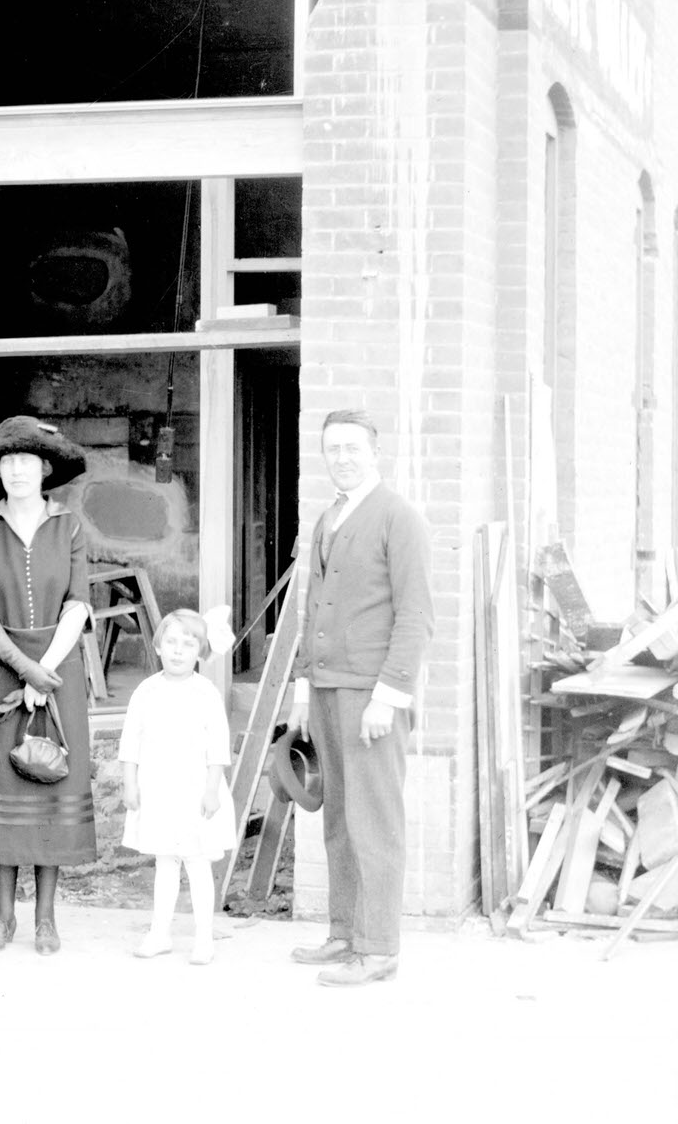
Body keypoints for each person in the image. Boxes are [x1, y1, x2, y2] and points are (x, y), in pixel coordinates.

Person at [286, 408, 434, 986]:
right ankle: (344, 932)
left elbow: (417, 617)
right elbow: (310, 610)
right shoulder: (329, 517)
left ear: (375, 452)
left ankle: (379, 949)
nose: (343, 458)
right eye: (333, 449)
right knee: (340, 822)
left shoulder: (400, 519)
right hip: (326, 692)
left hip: (372, 698)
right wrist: (303, 689)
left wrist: (387, 697)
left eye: (353, 448)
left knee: (375, 823)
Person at [0, 414, 94, 955]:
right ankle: (2, 917)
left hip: (58, 671)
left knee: (52, 791)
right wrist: (23, 669)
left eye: (26, 461)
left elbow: (78, 604)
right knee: (2, 793)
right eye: (6, 461)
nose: (15, 471)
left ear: (45, 469)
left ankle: (46, 920)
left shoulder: (70, 525)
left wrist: (47, 672)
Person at [119, 607, 236, 965]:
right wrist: (129, 784)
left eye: (188, 644)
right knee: (165, 862)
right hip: (158, 789)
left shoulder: (205, 693)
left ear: (200, 652)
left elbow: (218, 746)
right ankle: (160, 933)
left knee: (197, 863)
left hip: (195, 790)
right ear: (157, 647)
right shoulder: (146, 691)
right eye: (171, 642)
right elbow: (131, 741)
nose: (178, 650)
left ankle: (203, 937)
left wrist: (213, 789)